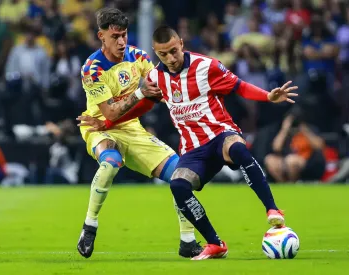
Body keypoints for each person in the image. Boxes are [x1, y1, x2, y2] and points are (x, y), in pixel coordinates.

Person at [78, 25, 298, 260]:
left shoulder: (207, 66)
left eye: (174, 51)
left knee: (238, 148)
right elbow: (143, 105)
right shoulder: (156, 77)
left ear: (181, 43)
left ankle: (272, 209)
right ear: (156, 53)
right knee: (178, 185)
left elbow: (238, 86)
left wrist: (267, 96)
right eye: (163, 54)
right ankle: (214, 244)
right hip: (193, 148)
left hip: (220, 134)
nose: (170, 58)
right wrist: (108, 125)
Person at [75, 8, 201, 259]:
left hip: (133, 129)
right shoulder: (92, 68)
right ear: (101, 36)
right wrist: (142, 93)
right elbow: (110, 114)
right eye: (115, 37)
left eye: (124, 35)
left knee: (181, 176)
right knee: (111, 163)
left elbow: (161, 86)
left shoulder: (138, 57)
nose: (121, 41)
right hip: (99, 127)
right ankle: (90, 226)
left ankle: (188, 241)